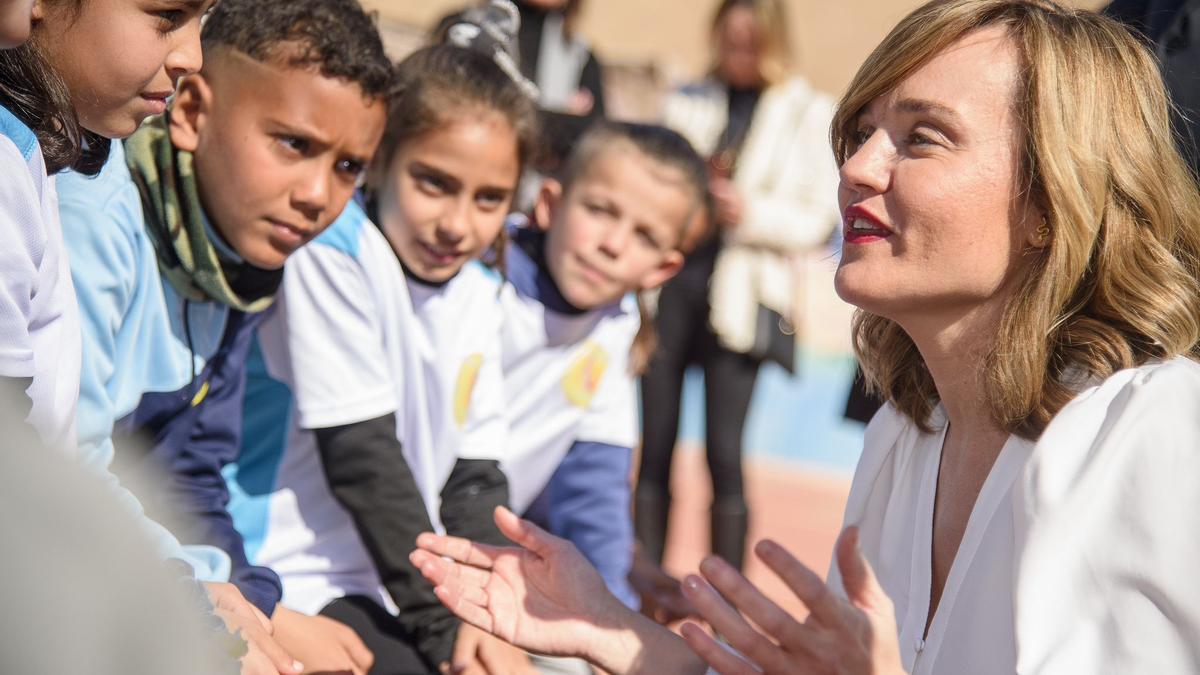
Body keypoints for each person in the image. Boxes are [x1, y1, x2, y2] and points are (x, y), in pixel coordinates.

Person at [411, 1, 1200, 673]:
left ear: (1053, 199)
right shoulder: (904, 433)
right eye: (861, 132)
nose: (858, 166)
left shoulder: (1163, 432)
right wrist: (619, 635)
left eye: (921, 138)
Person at [55, 0, 391, 671]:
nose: (317, 194)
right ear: (192, 113)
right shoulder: (92, 218)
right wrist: (212, 611)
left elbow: (189, 473)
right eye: (294, 144)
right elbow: (69, 475)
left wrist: (249, 599)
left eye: (349, 166)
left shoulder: (238, 254)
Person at [0, 3, 302, 674]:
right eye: (167, 17)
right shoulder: (46, 180)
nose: (192, 55)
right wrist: (193, 620)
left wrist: (217, 596)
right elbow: (22, 466)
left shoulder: (44, 155)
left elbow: (187, 469)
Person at [229, 37, 540, 673]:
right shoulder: (335, 250)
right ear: (382, 160)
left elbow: (472, 479)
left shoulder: (481, 293)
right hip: (291, 567)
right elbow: (361, 457)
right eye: (435, 183)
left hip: (394, 576)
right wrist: (445, 629)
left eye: (488, 199)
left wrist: (489, 616)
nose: (457, 223)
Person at [637, 0, 840, 573]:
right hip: (670, 293)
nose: (739, 54)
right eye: (730, 41)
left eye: (751, 43)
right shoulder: (686, 101)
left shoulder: (806, 111)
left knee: (724, 454)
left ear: (772, 42)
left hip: (742, 300)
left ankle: (727, 592)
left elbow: (817, 220)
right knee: (654, 446)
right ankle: (643, 582)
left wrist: (746, 211)